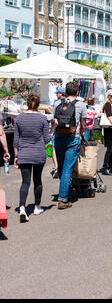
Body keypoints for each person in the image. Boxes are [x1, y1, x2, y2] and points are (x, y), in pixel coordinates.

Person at [13, 94, 51, 222]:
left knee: (25, 182)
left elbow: (15, 141)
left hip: (24, 153)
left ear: (27, 103)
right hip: (38, 153)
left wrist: (16, 156)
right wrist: (54, 128)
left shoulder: (19, 118)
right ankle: (37, 207)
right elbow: (47, 139)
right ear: (38, 104)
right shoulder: (42, 118)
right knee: (37, 180)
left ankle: (22, 208)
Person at [52, 81, 87, 210]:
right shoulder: (81, 105)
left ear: (66, 91)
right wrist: (82, 133)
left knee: (61, 168)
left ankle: (65, 191)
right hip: (73, 138)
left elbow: (54, 121)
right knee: (68, 169)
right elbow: (83, 124)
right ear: (77, 92)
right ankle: (63, 198)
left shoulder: (57, 103)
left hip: (59, 137)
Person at [51, 87, 66, 179]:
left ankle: (56, 167)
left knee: (54, 147)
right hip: (69, 130)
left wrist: (52, 129)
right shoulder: (71, 102)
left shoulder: (57, 102)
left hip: (58, 129)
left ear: (61, 93)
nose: (57, 95)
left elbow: (54, 118)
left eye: (58, 93)